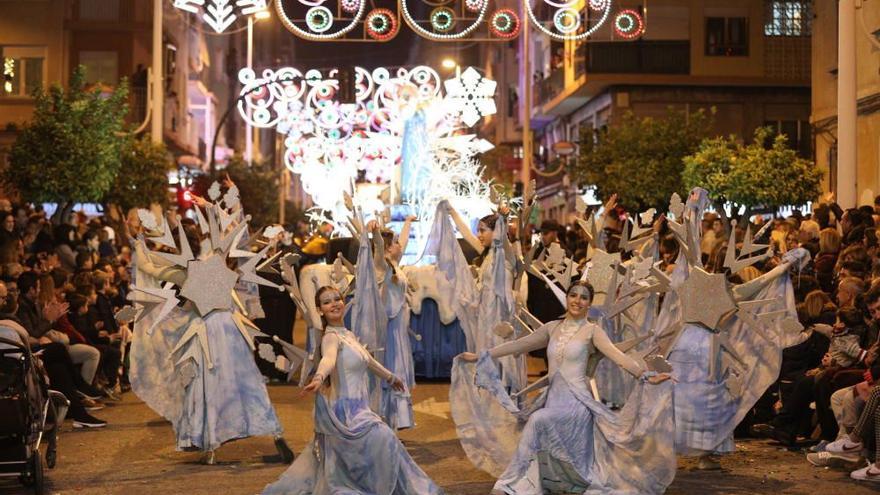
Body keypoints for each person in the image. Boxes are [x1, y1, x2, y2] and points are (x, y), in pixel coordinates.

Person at [453, 281, 675, 494]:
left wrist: (645, 375)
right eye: (573, 295)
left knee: (538, 420)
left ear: (590, 303)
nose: (577, 300)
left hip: (576, 405)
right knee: (539, 422)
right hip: (553, 399)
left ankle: (508, 482)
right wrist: (482, 355)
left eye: (584, 297)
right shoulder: (552, 328)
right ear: (567, 298)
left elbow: (618, 357)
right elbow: (518, 345)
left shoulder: (592, 331)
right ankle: (524, 481)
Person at [262, 286, 441, 495]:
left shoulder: (347, 334)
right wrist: (319, 377)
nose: (334, 304)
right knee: (385, 438)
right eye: (327, 302)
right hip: (346, 414)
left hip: (360, 409)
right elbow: (328, 359)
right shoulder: (331, 337)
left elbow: (368, 360)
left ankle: (384, 487)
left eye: (337, 298)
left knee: (385, 441)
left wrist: (390, 377)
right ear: (320, 310)